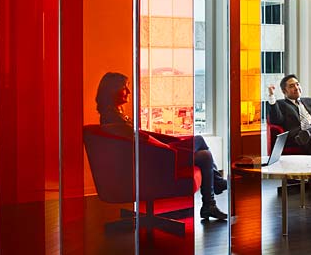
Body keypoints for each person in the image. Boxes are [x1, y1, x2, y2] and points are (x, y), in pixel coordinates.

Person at [96, 72, 228, 221]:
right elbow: (138, 141)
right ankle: (215, 190)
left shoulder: (113, 116)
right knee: (200, 142)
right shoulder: (113, 119)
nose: (129, 92)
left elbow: (138, 139)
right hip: (155, 161)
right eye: (124, 88)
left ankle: (210, 203)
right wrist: (165, 146)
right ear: (112, 90)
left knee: (204, 154)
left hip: (154, 156)